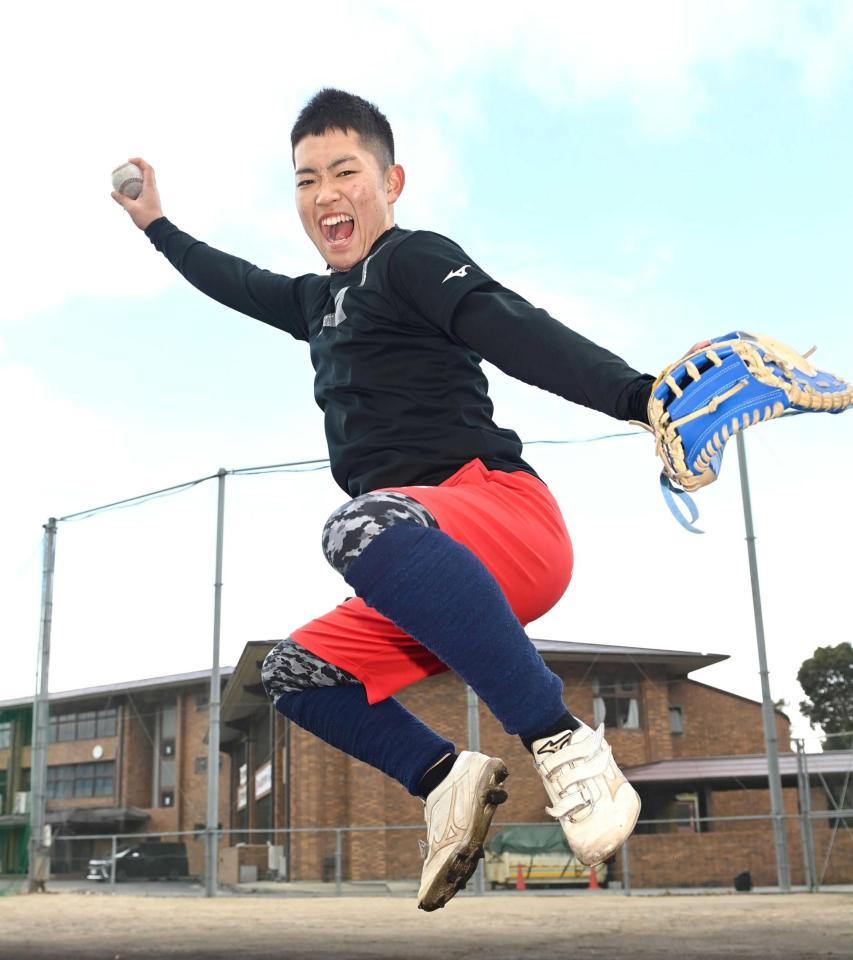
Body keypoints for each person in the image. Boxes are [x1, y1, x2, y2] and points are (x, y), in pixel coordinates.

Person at [112, 88, 651, 912]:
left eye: (344, 171)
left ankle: (560, 739)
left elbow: (512, 327)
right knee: (290, 676)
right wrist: (155, 224)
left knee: (357, 527)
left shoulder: (411, 259)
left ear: (390, 180)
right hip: (418, 567)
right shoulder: (311, 302)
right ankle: (444, 778)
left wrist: (637, 396)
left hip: (498, 515)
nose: (325, 194)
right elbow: (228, 279)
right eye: (304, 181)